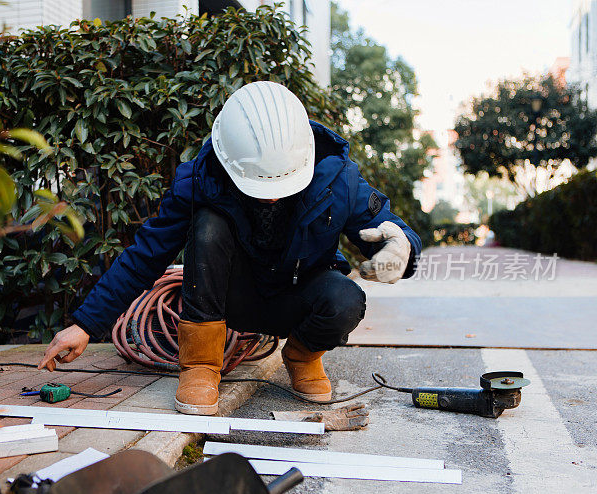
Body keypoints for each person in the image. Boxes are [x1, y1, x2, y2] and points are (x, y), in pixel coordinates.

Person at [38, 81, 421, 415]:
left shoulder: (337, 180)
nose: (270, 199)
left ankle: (302, 356)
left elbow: (387, 228)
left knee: (346, 299)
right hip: (228, 300)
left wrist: (402, 251)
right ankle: (202, 364)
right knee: (207, 225)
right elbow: (146, 254)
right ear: (228, 158)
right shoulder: (200, 182)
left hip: (296, 297)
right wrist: (86, 324)